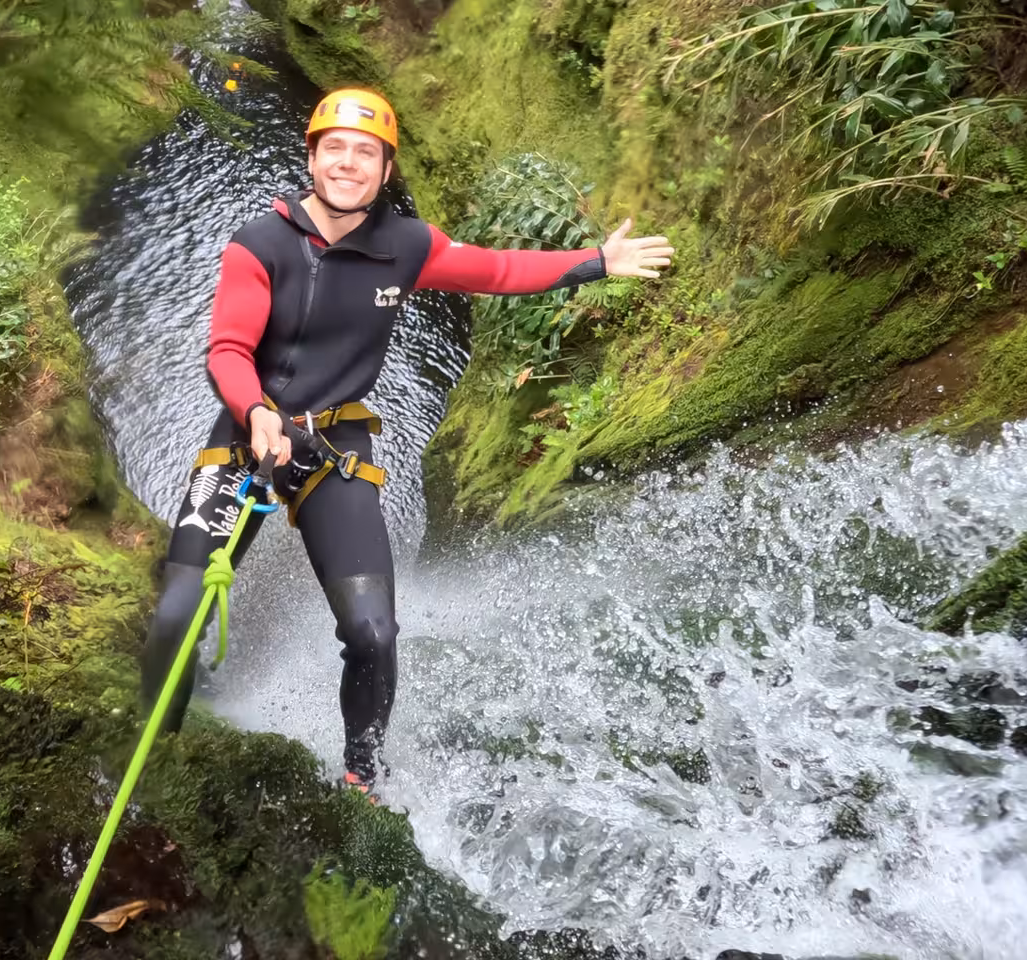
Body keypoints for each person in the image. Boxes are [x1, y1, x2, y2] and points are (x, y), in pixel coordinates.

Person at [140, 87, 674, 796]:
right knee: (178, 613)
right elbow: (229, 349)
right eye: (336, 148)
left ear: (387, 171)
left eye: (367, 153)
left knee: (372, 632)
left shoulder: (405, 247)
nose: (349, 163)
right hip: (246, 435)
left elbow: (497, 270)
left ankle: (363, 771)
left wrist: (594, 264)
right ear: (312, 156)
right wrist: (256, 412)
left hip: (335, 447)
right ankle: (154, 760)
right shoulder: (258, 245)